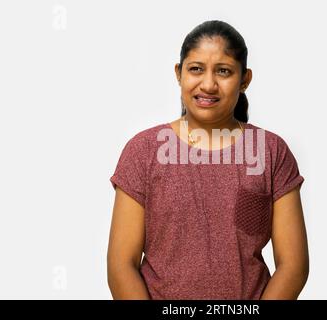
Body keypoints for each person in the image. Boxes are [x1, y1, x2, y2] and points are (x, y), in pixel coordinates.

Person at [107, 20, 309, 300]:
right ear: (179, 74)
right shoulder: (143, 151)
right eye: (196, 69)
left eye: (223, 71)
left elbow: (293, 266)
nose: (208, 84)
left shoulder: (271, 152)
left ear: (245, 79)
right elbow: (121, 265)